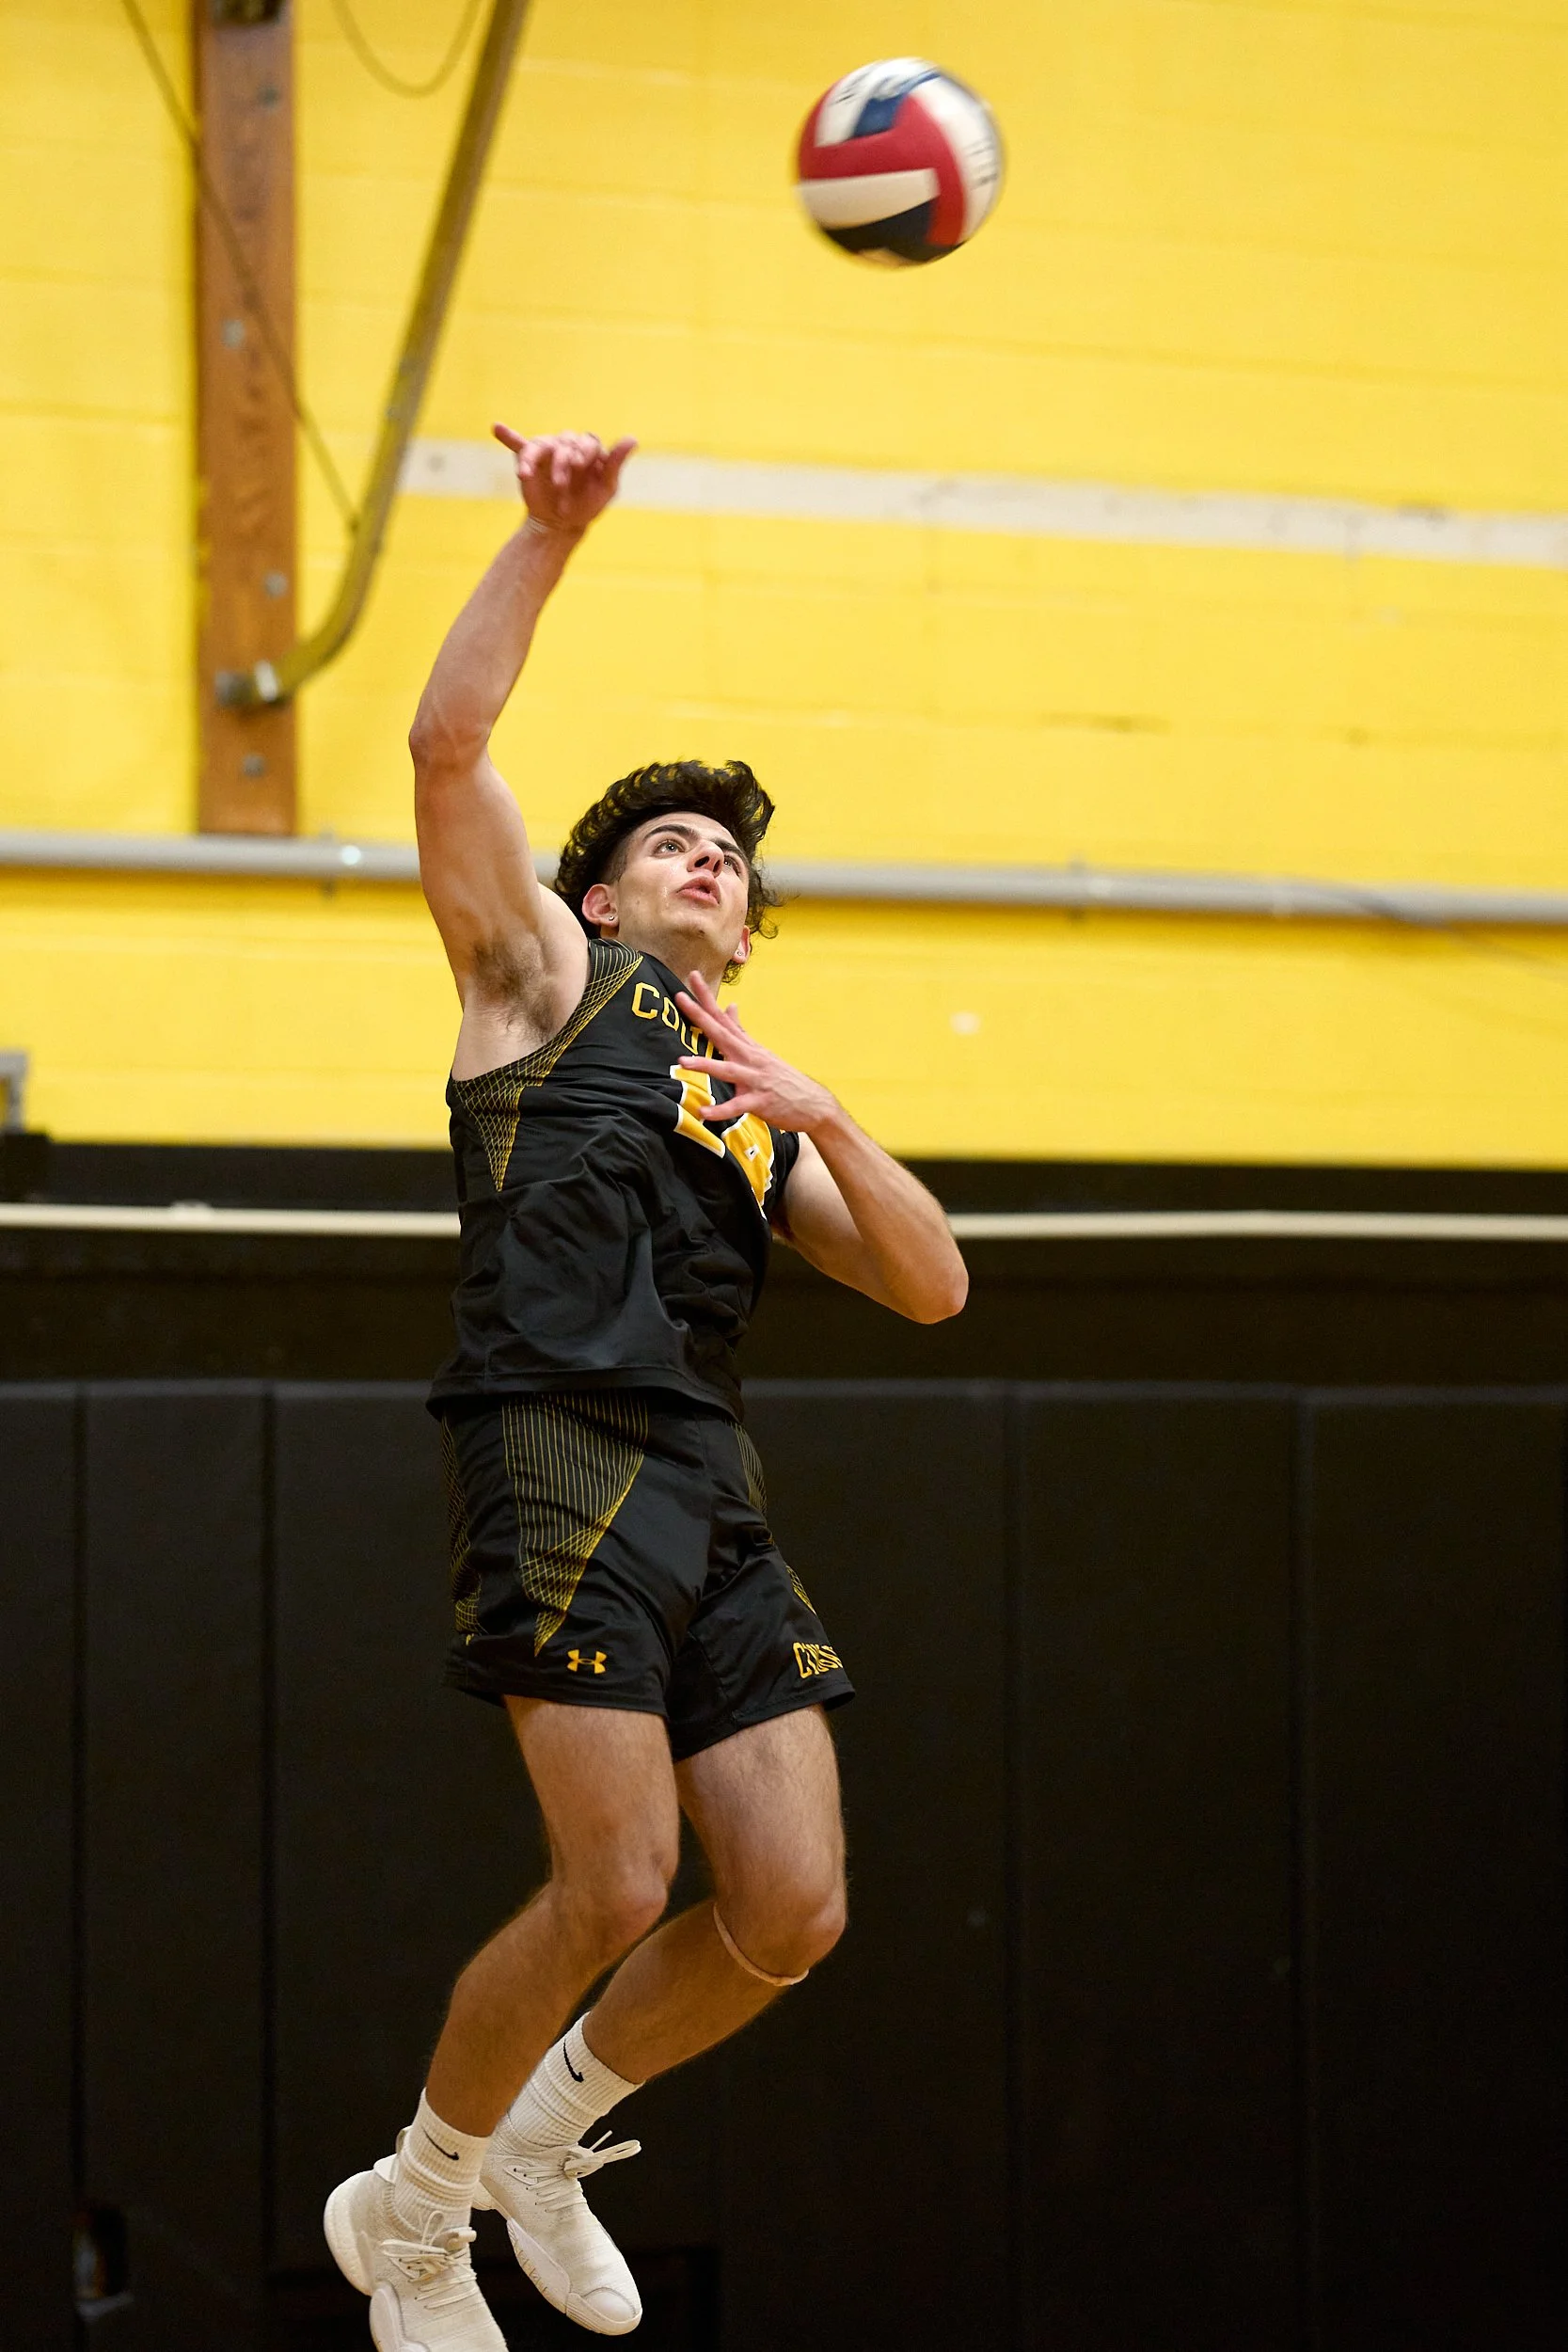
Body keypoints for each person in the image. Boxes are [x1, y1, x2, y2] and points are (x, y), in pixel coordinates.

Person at [324, 427, 968, 2348]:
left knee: (791, 1907)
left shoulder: (755, 1112)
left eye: (733, 859)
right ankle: (414, 2212)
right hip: (553, 1442)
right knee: (614, 1881)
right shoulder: (534, 981)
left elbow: (933, 1285)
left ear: (744, 934)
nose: (710, 857)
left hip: (710, 1486)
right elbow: (445, 745)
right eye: (671, 844)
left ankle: (539, 2140)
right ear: (599, 903)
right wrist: (545, 536)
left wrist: (827, 1115)